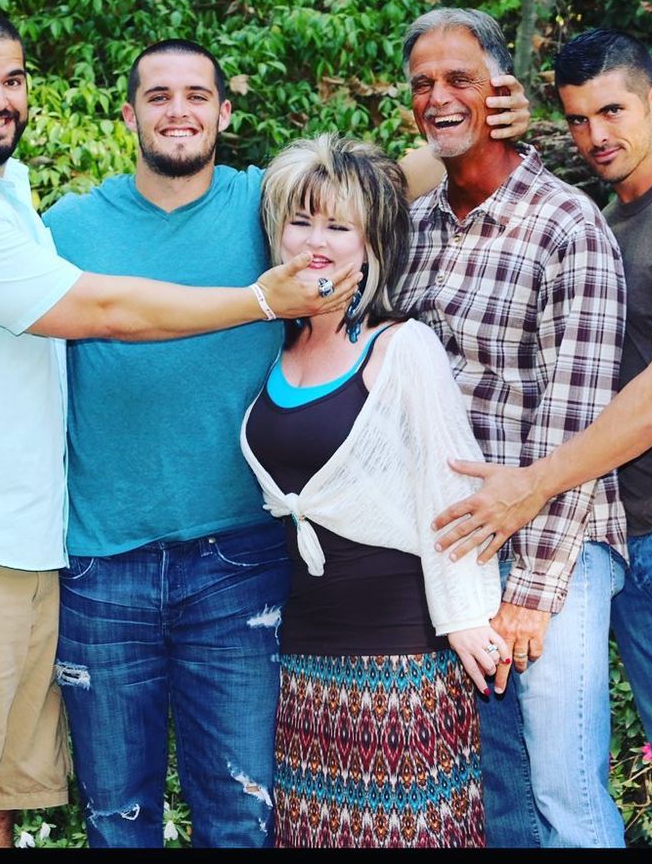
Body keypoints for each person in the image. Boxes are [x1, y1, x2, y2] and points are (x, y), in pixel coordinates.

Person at [0, 8, 357, 850]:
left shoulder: (15, 198)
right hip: (6, 553)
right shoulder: (10, 218)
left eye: (11, 80)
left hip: (128, 556)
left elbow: (365, 199)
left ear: (227, 111)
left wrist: (466, 139)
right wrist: (263, 300)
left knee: (8, 811)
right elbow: (99, 311)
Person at [41, 39, 530, 848]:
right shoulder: (69, 226)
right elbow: (0, 306)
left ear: (225, 115)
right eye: (158, 96)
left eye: (197, 94)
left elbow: (373, 186)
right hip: (104, 559)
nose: (178, 111)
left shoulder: (264, 206)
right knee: (116, 814)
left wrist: (476, 123)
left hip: (237, 563)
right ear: (127, 115)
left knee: (243, 814)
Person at [433, 27, 652, 847]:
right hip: (633, 526)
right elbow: (430, 178)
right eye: (576, 120)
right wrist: (482, 126)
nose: (596, 136)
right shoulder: (600, 220)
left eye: (613, 111)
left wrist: (532, 484)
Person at [395, 8, 629, 848]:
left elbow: (580, 425)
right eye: (423, 83)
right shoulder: (414, 230)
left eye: (459, 78)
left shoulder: (568, 226)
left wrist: (532, 598)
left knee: (564, 792)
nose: (438, 97)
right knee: (498, 799)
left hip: (552, 552)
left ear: (501, 92)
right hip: (459, 553)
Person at [238, 132, 508, 848]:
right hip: (300, 658)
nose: (316, 241)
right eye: (301, 220)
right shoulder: (271, 345)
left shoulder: (398, 346)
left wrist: (467, 618)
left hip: (401, 654)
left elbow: (450, 489)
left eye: (338, 225)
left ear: (372, 242)